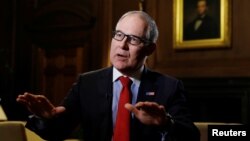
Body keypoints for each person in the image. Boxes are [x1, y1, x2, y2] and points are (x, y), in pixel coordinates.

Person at [16, 11, 200, 141]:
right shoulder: (86, 83)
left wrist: (165, 123)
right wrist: (47, 118)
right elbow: (57, 133)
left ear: (150, 49)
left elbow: (191, 136)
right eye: (119, 35)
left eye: (134, 39)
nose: (122, 45)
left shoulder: (169, 86)